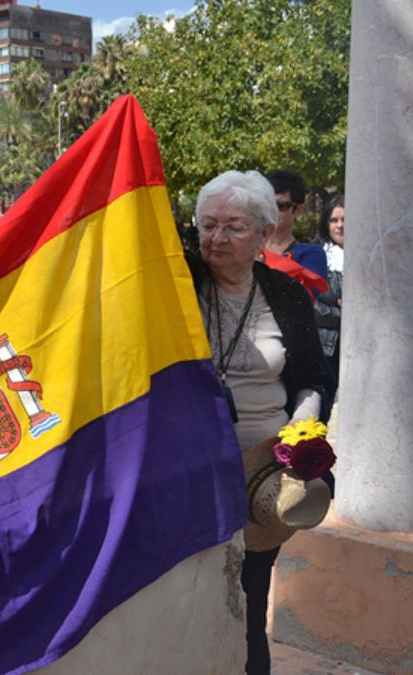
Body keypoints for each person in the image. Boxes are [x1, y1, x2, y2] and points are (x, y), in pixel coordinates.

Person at [188, 170, 332, 675]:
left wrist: (301, 432)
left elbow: (313, 379)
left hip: (261, 477)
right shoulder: (180, 283)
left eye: (233, 227)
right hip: (189, 469)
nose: (217, 237)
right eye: (208, 225)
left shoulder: (286, 294)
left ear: (264, 233)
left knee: (248, 599)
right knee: (188, 600)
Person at [264, 170, 329, 286]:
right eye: (266, 204)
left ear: (299, 210)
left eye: (280, 206)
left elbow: (303, 293)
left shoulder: (311, 254)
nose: (272, 211)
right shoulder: (247, 247)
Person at [313, 194, 345, 381]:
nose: (340, 225)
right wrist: (345, 315)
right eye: (334, 220)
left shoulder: (373, 258)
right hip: (327, 349)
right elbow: (311, 305)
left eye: (345, 219)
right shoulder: (317, 257)